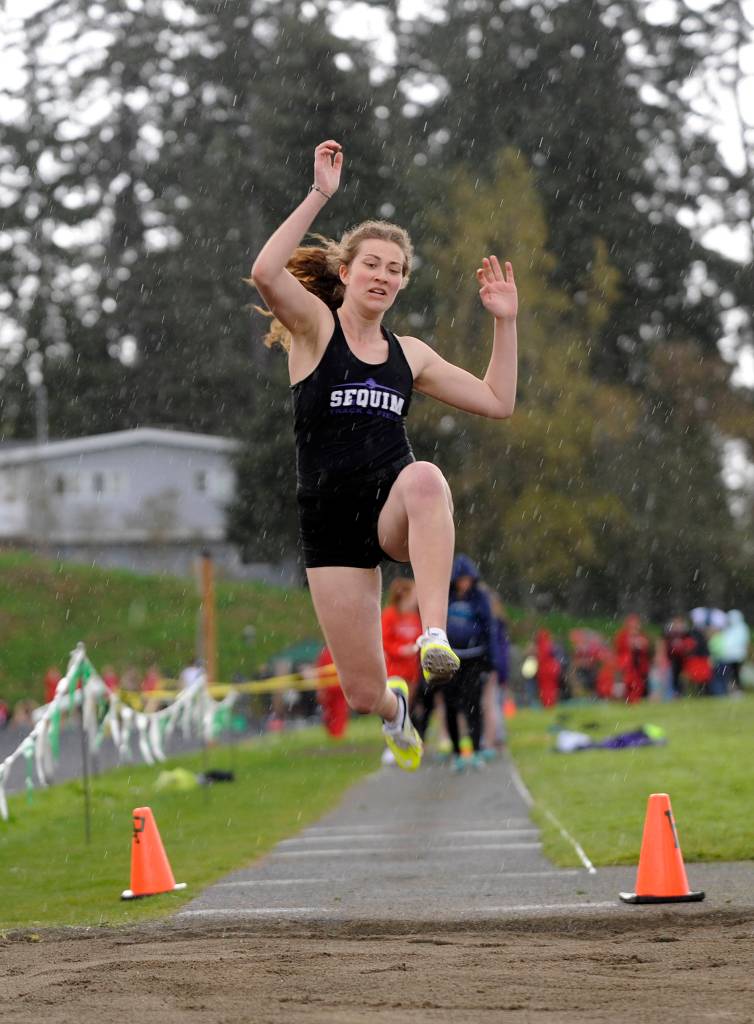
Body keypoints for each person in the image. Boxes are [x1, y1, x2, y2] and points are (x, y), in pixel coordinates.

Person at [249, 139, 518, 771]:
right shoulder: (315, 329)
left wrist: (505, 323)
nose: (383, 276)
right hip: (329, 519)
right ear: (346, 272)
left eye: (395, 269)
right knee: (363, 690)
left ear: (401, 283)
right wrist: (321, 194)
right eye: (372, 263)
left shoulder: (411, 354)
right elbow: (266, 273)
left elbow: (497, 400)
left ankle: (433, 635)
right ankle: (395, 710)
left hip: (389, 504)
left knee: (426, 477)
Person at [442, 554, 494, 771]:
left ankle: (475, 749)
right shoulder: (446, 597)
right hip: (449, 659)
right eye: (461, 578)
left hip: (474, 659)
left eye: (468, 578)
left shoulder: (479, 598)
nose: (465, 583)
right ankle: (456, 752)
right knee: (450, 705)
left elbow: (489, 627)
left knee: (474, 705)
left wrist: (491, 660)